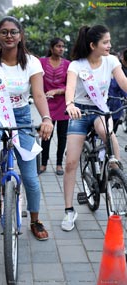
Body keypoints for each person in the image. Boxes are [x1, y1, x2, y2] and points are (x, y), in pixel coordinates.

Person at [0, 16, 53, 241]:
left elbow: (38, 94)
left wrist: (46, 118)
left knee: (31, 179)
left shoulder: (32, 62)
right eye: (4, 32)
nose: (9, 36)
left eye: (13, 32)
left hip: (22, 117)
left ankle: (35, 220)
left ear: (20, 35)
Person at [61, 25, 127, 232]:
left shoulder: (112, 61)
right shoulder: (76, 65)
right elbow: (70, 88)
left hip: (100, 110)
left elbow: (124, 83)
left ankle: (116, 174)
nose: (110, 45)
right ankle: (69, 211)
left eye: (109, 41)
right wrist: (70, 104)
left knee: (109, 135)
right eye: (105, 42)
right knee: (71, 162)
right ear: (93, 45)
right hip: (79, 112)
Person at [39, 38, 70, 175]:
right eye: (58, 46)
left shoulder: (68, 64)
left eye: (63, 46)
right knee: (46, 134)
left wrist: (57, 91)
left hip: (63, 103)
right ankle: (43, 163)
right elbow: (37, 82)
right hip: (46, 104)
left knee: (62, 136)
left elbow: (70, 87)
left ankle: (58, 164)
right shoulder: (42, 62)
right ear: (51, 48)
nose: (61, 49)